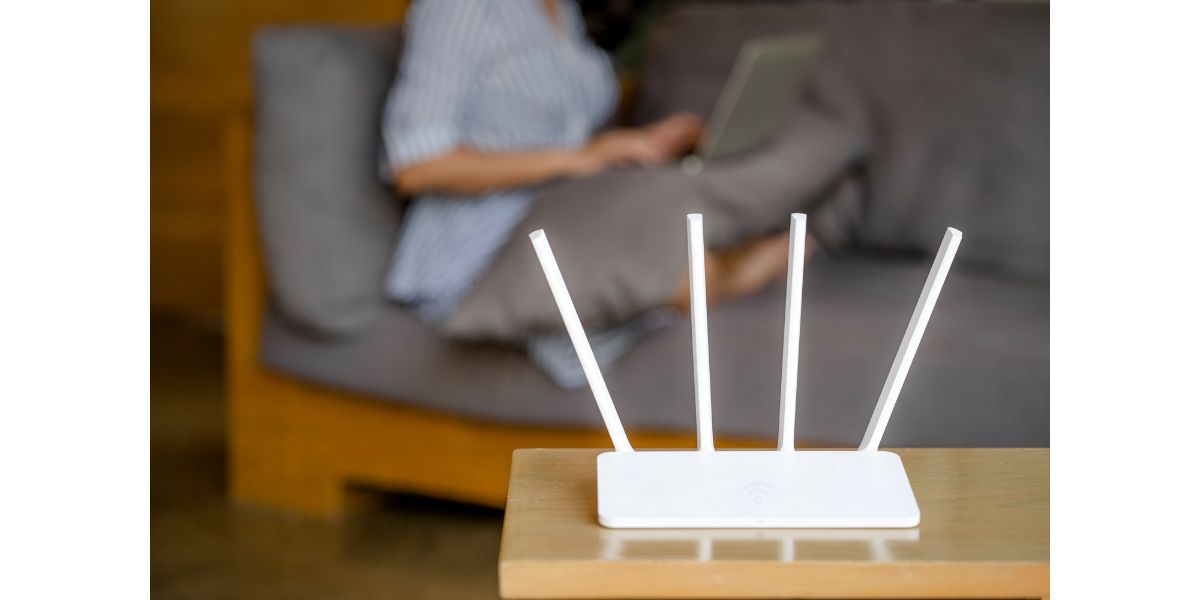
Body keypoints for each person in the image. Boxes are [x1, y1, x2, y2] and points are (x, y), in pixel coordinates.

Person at [381, 0, 790, 383]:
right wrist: (580, 158)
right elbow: (416, 165)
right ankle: (765, 262)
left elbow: (562, 132)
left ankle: (768, 253)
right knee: (681, 274)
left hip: (569, 211)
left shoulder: (562, 10)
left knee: (686, 244)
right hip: (476, 248)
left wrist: (637, 143)